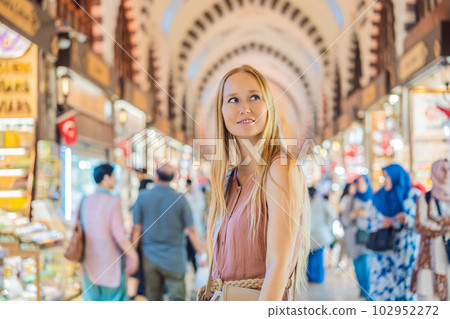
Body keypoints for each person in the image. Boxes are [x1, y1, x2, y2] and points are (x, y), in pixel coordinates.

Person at [205, 65, 310, 301]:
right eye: (233, 99)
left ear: (268, 105)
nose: (245, 108)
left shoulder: (279, 167)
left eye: (254, 97)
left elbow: (278, 266)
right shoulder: (228, 180)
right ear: (221, 111)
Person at [131, 164, 207, 301]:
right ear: (172, 178)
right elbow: (191, 230)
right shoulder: (180, 198)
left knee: (154, 297)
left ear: (156, 176)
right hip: (175, 257)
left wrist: (131, 253)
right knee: (177, 298)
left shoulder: (142, 197)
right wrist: (200, 253)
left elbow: (136, 228)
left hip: (150, 256)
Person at [79, 163, 139, 301]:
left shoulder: (85, 200)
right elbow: (119, 236)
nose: (115, 180)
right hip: (110, 263)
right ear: (106, 178)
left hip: (88, 262)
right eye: (113, 177)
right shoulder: (113, 202)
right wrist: (133, 255)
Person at [368, 164, 421, 301]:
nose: (386, 180)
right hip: (383, 251)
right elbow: (369, 222)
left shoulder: (413, 196)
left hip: (406, 252)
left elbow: (423, 224)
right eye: (384, 177)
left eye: (388, 177)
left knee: (407, 290)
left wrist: (408, 220)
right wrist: (381, 223)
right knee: (384, 291)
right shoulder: (378, 197)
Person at [411, 159, 450, 300]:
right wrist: (445, 226)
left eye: (448, 169)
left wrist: (439, 224)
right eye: (442, 169)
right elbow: (420, 224)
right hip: (429, 259)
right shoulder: (425, 199)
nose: (446, 173)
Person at [340, 176, 372, 299]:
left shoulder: (373, 200)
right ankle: (363, 289)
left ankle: (368, 292)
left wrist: (366, 215)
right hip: (354, 238)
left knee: (367, 266)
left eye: (363, 183)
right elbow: (344, 220)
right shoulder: (351, 200)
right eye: (358, 183)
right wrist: (353, 214)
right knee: (358, 267)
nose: (360, 186)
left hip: (368, 238)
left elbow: (377, 220)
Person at [308, 186, 336, 284]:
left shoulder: (306, 204)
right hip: (320, 235)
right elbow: (333, 215)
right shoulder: (323, 203)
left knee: (311, 257)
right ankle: (318, 278)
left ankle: (311, 278)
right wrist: (327, 224)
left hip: (310, 235)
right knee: (318, 257)